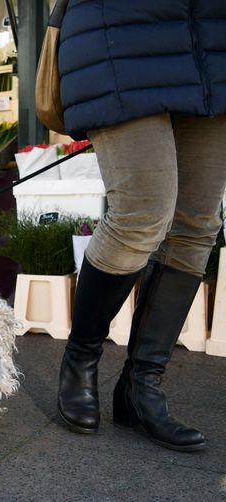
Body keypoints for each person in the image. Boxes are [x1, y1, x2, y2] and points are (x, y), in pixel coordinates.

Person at [55, 2, 226, 452]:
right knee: (140, 215)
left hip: (210, 43)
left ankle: (141, 386)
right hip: (121, 37)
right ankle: (80, 359)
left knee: (198, 226)